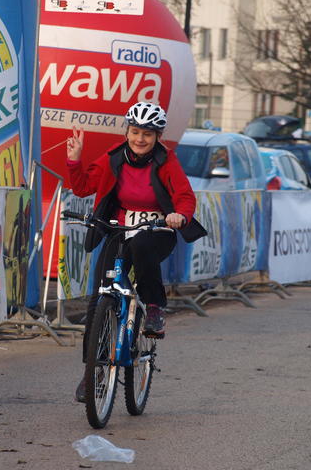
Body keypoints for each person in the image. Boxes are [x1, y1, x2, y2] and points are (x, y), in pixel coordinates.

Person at [66, 101, 207, 402]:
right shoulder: (114, 157)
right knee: (99, 299)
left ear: (157, 137)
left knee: (142, 246)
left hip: (157, 230)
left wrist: (178, 215)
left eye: (147, 134)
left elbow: (184, 196)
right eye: (135, 132)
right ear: (127, 132)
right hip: (119, 228)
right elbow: (82, 188)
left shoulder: (166, 162)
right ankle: (93, 372)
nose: (140, 139)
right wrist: (74, 160)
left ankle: (154, 308)